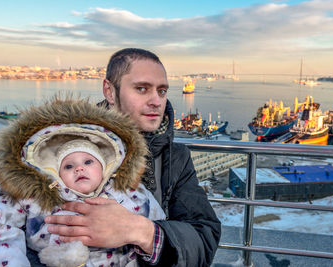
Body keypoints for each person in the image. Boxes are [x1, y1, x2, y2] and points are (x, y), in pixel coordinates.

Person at [45, 48, 222, 266]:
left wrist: (141, 231)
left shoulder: (175, 158)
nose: (157, 101)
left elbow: (204, 239)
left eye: (162, 91)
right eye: (141, 89)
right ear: (109, 91)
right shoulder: (60, 148)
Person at [0, 96, 165, 267]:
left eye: (88, 161)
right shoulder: (32, 196)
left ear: (106, 167)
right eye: (68, 166)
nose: (79, 168)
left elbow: (157, 223)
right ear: (56, 174)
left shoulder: (127, 192)